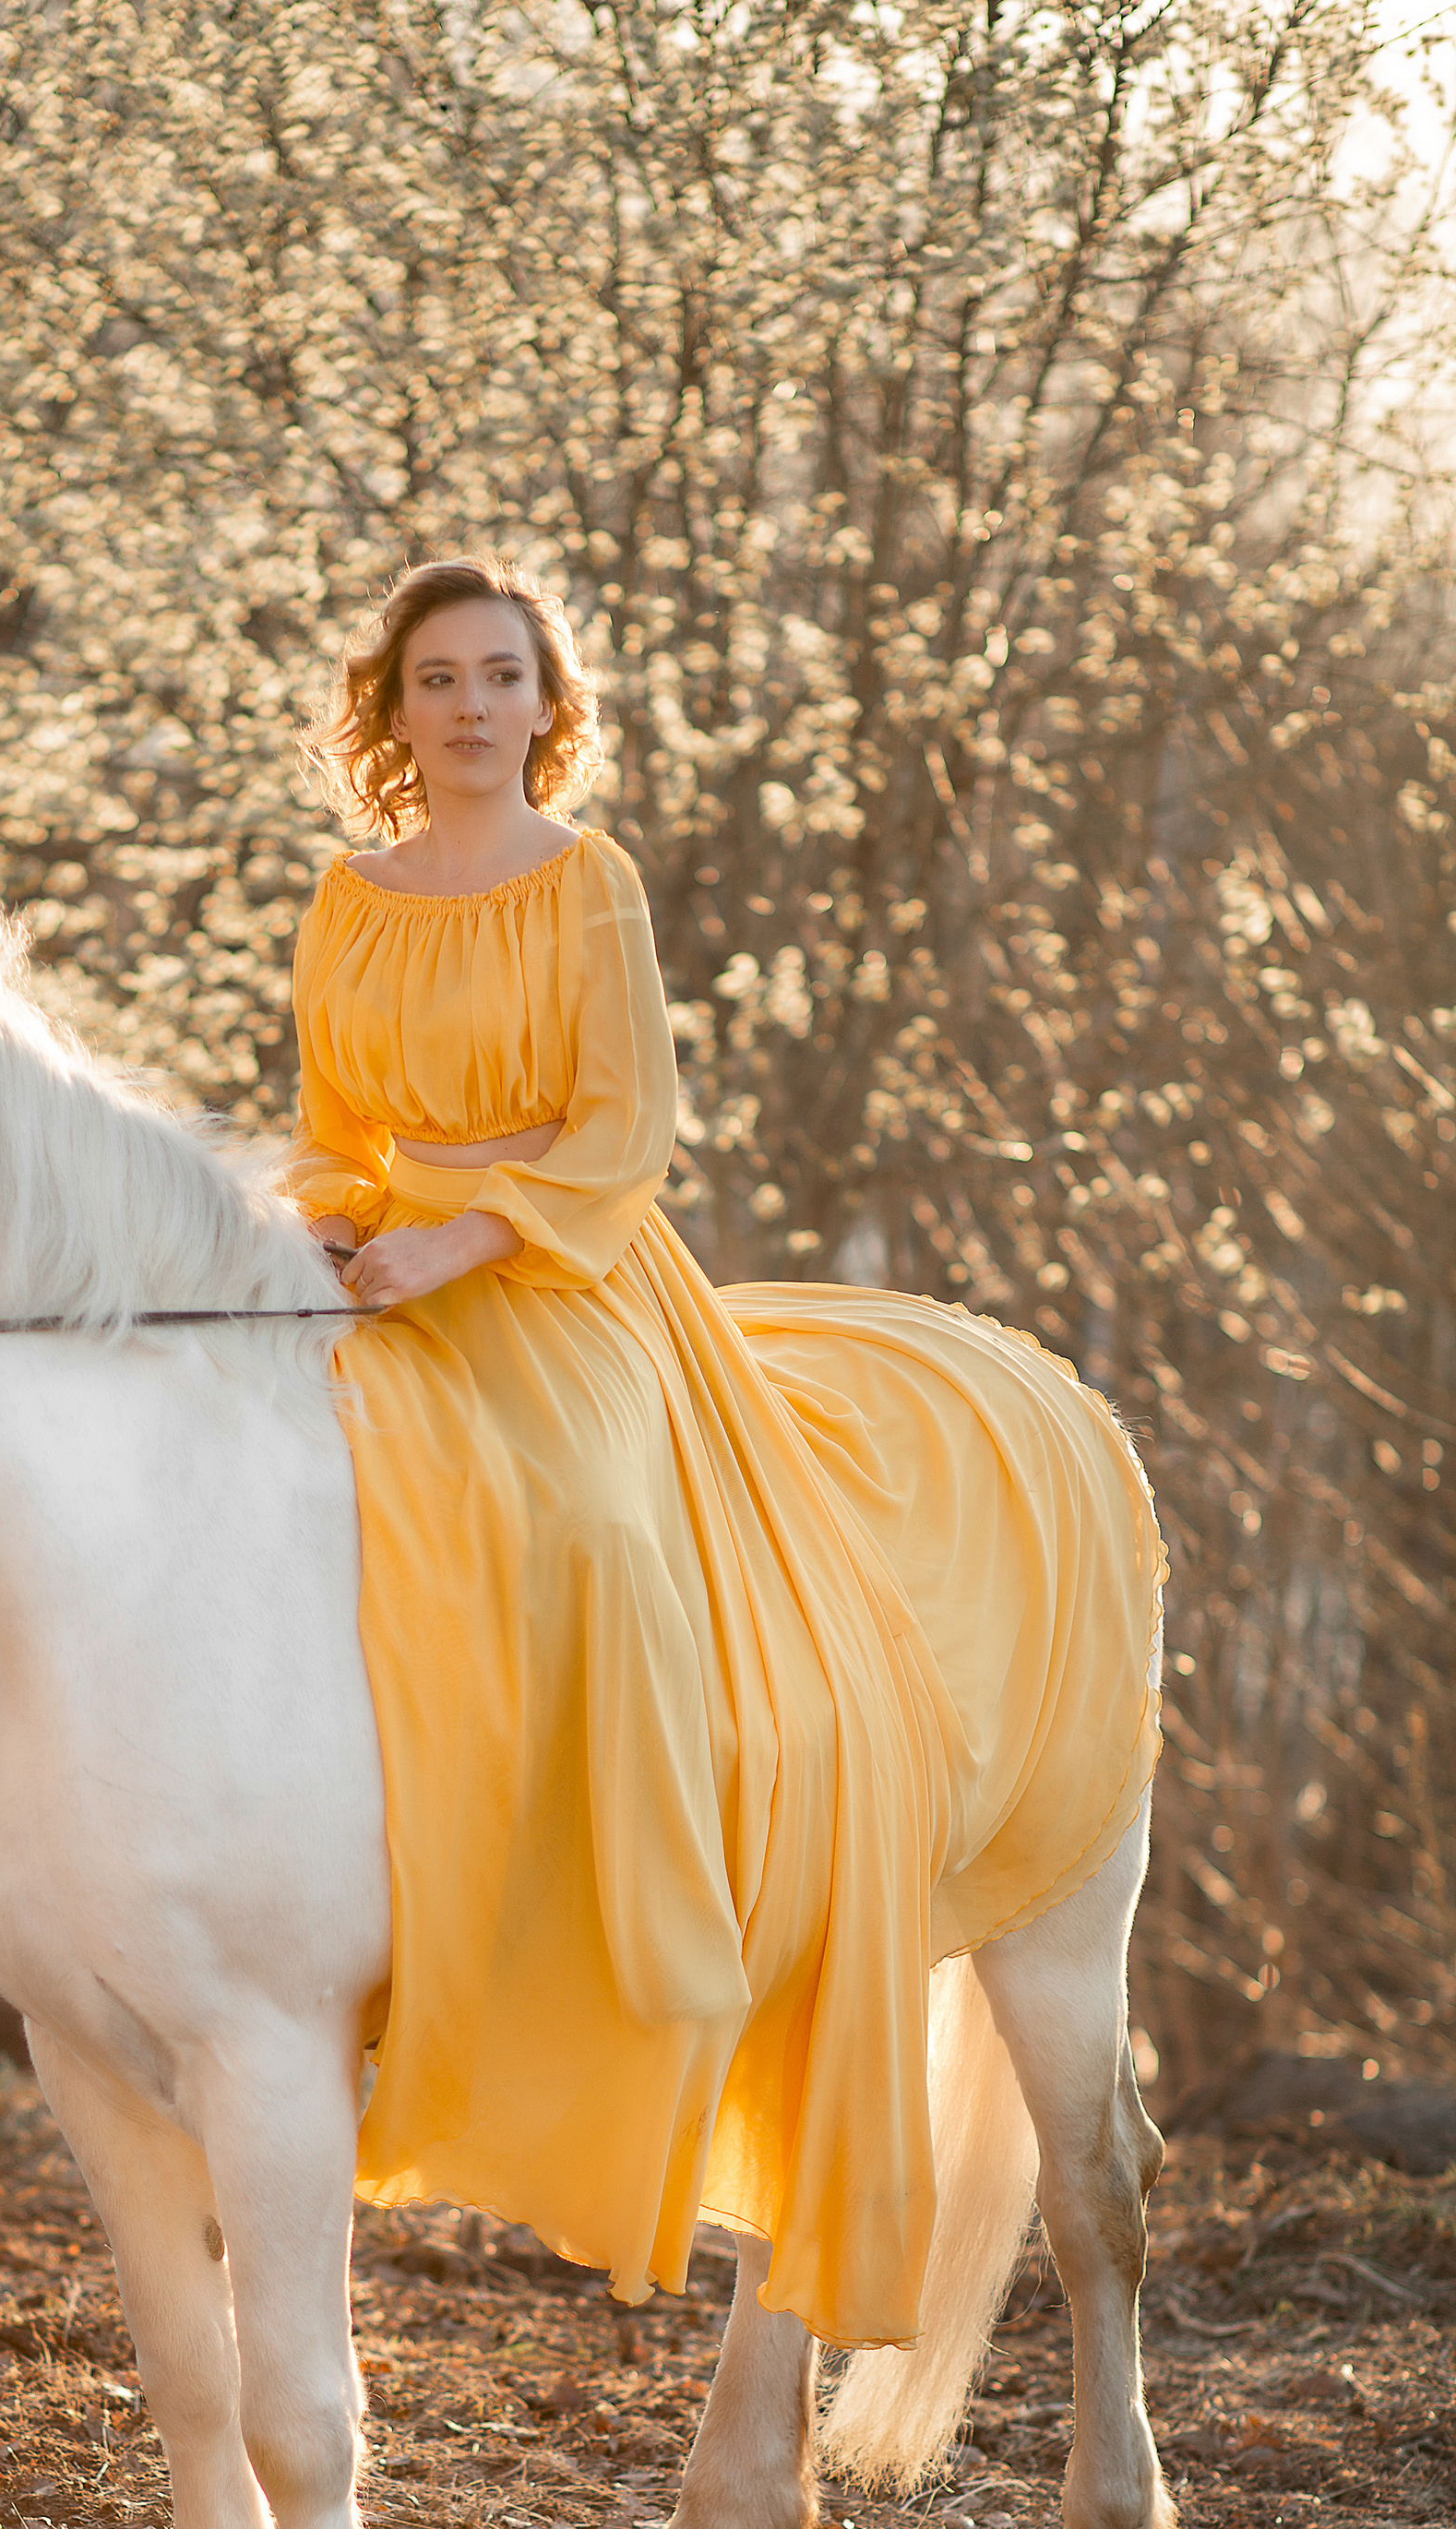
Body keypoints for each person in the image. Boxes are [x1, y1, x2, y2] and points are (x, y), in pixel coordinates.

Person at [284, 555, 1164, 2344]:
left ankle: (655, 1918)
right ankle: (371, 1938)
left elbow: (621, 1127)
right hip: (376, 1280)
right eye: (435, 678)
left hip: (559, 1275)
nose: (466, 706)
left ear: (547, 705)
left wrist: (465, 1235)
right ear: (391, 709)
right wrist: (319, 1227)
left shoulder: (580, 880)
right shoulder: (346, 896)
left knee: (596, 1530)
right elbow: (323, 1122)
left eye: (498, 676)